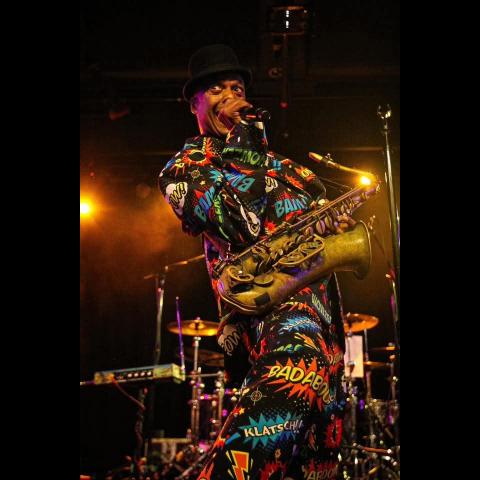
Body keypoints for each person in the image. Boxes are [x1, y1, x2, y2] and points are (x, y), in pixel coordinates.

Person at [159, 44, 350, 480]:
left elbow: (319, 227)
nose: (231, 96)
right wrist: (246, 143)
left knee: (314, 465)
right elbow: (239, 226)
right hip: (274, 318)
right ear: (194, 104)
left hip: (326, 324)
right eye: (217, 90)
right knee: (264, 433)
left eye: (237, 88)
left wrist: (333, 225)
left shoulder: (289, 169)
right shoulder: (186, 167)